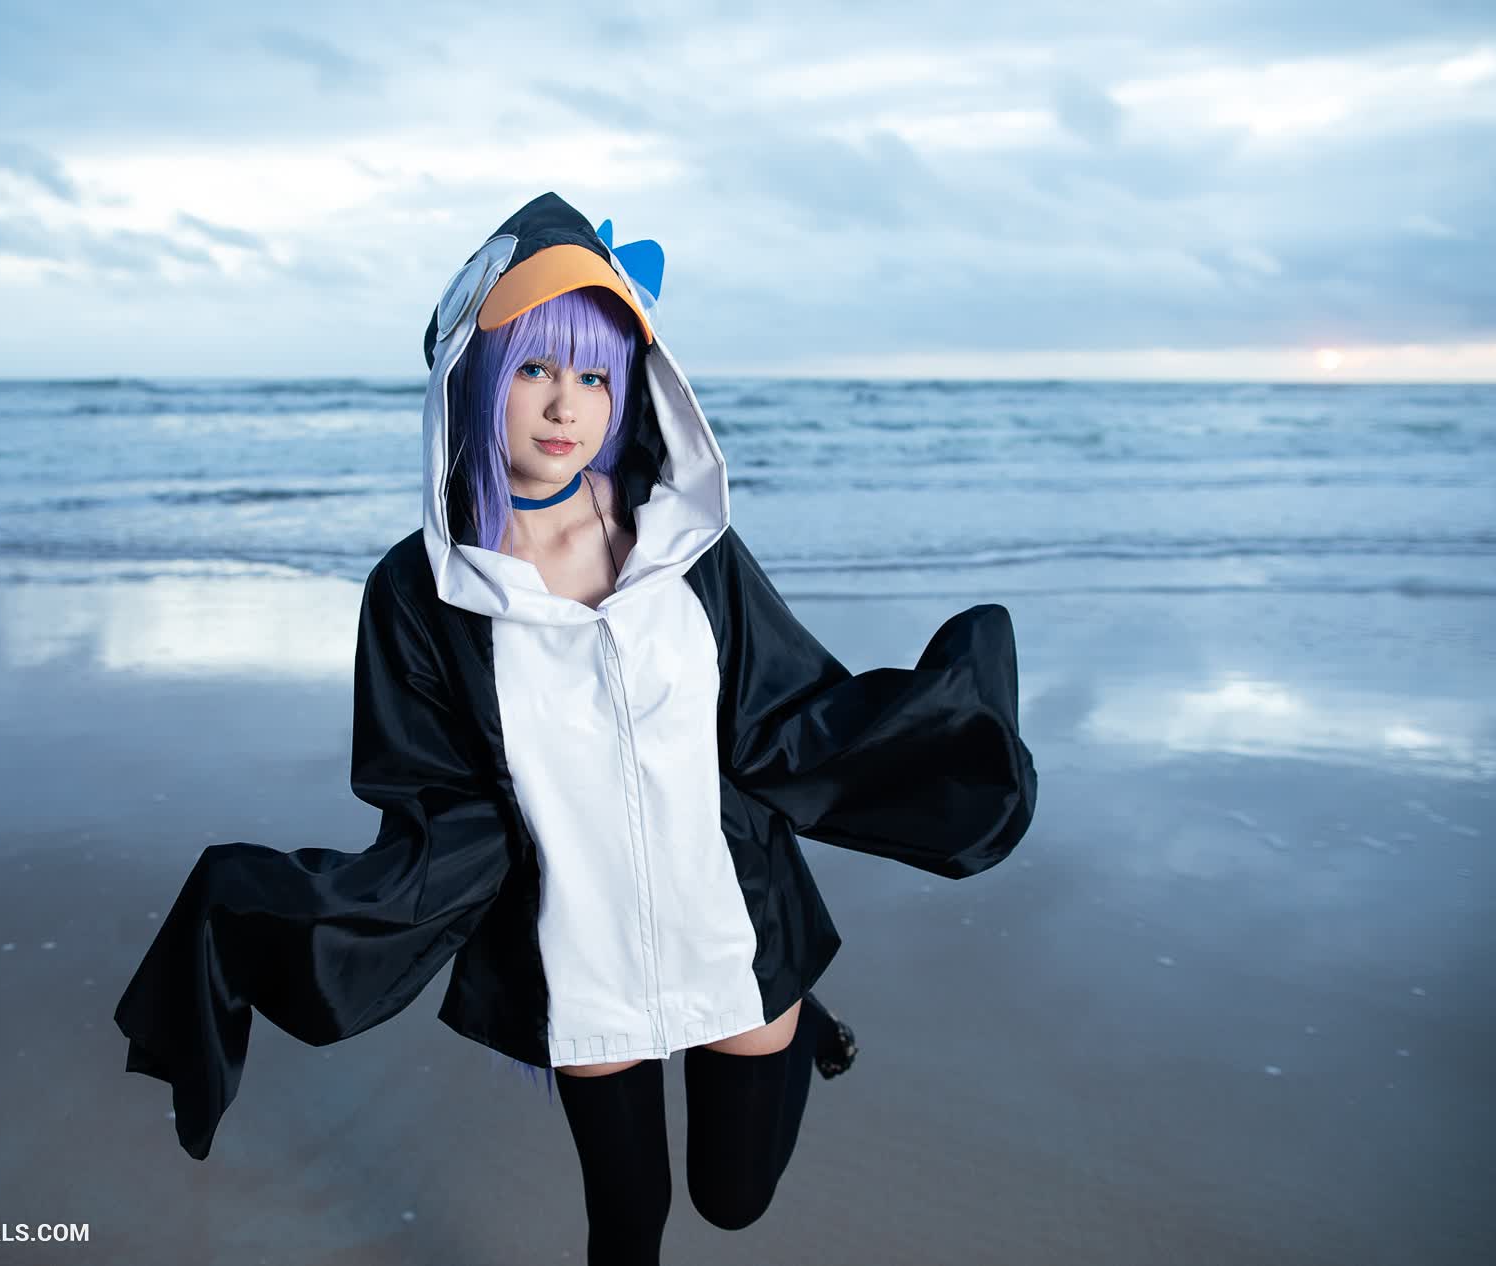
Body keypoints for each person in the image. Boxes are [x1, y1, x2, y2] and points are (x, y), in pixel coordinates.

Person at [113, 191, 1038, 1262]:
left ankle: (804, 1023)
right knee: (626, 1224)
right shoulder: (420, 593)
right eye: (536, 370)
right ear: (474, 377)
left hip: (736, 927)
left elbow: (784, 715)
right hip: (578, 952)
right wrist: (276, 909)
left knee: (733, 1202)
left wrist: (949, 716)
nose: (566, 407)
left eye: (595, 376)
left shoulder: (685, 546)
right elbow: (435, 799)